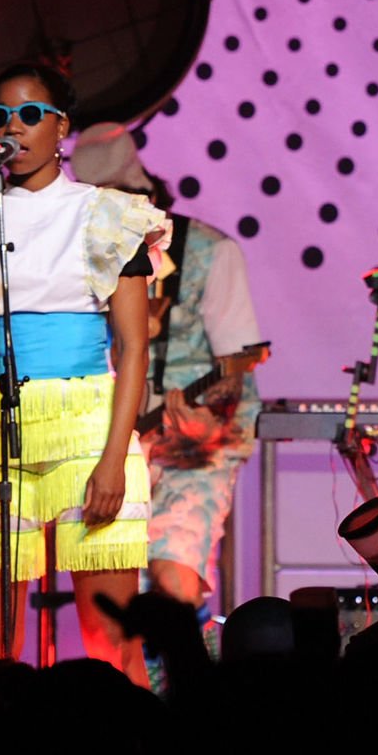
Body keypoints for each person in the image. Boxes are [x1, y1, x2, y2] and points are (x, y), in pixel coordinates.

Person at [0, 65, 169, 679]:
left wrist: (111, 459)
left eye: (29, 115)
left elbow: (132, 348)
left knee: (110, 638)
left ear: (60, 127)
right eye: (0, 116)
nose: (13, 128)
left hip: (85, 424)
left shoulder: (107, 216)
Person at [70, 123, 267, 621]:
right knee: (112, 602)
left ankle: (189, 689)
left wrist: (205, 414)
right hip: (110, 444)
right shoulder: (78, 260)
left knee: (172, 574)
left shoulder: (210, 252)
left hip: (192, 447)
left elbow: (232, 373)